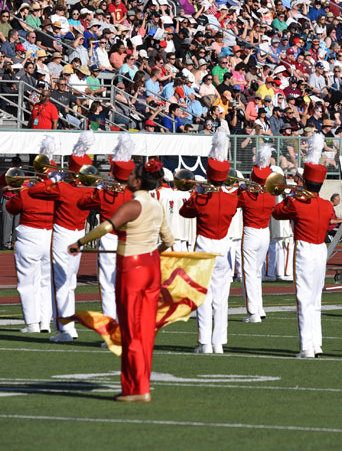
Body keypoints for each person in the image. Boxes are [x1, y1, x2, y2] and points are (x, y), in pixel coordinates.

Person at [68, 158, 174, 403]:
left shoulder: (133, 205)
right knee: (146, 329)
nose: (127, 178)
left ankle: (135, 388)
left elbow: (106, 227)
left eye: (131, 176)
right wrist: (151, 256)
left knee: (131, 330)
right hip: (150, 267)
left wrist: (79, 243)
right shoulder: (157, 205)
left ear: (138, 181)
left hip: (132, 269)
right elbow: (168, 241)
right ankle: (141, 384)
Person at [27, 131, 95, 343]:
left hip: (63, 235)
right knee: (70, 283)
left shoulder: (63, 188)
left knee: (60, 283)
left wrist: (54, 179)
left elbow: (34, 191)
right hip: (79, 235)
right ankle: (70, 327)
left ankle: (66, 329)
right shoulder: (91, 190)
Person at [272, 134, 335, 358]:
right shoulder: (327, 205)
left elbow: (277, 213)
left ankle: (306, 346)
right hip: (321, 250)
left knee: (304, 299)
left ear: (306, 182)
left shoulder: (297, 202)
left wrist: (291, 195)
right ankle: (316, 344)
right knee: (316, 299)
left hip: (305, 250)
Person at [179, 132, 239, 354]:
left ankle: (204, 342)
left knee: (203, 296)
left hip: (205, 247)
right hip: (224, 248)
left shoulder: (201, 198)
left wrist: (199, 191)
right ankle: (218, 342)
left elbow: (184, 212)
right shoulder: (233, 199)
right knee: (221, 299)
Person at [76, 134, 135, 320]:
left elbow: (83, 203)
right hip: (132, 239)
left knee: (108, 284)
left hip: (110, 238)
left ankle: (111, 324)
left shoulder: (105, 192)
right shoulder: (137, 193)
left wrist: (98, 188)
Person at [7, 137, 56, 334]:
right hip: (50, 237)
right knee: (46, 282)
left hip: (29, 237)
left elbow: (11, 208)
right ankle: (45, 322)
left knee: (27, 283)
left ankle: (32, 323)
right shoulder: (59, 193)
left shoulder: (27, 192)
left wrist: (15, 189)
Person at [238, 144, 276, 323]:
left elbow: (234, 202)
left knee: (249, 273)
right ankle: (259, 308)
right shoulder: (270, 195)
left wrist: (242, 187)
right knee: (257, 272)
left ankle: (253, 312)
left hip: (251, 233)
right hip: (264, 233)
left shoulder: (245, 195)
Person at [266, 167, 294, 282]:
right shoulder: (270, 187)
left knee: (282, 246)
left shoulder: (286, 187)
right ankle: (276, 273)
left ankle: (281, 272)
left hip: (282, 219)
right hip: (275, 218)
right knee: (275, 246)